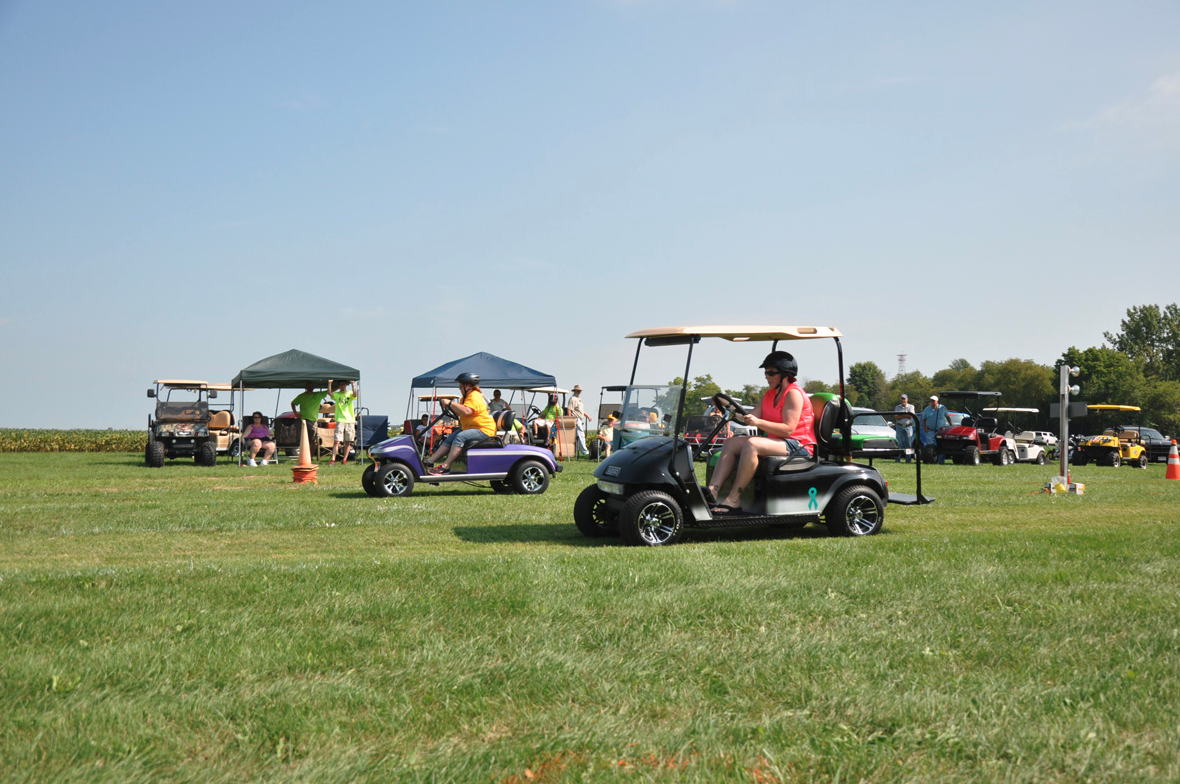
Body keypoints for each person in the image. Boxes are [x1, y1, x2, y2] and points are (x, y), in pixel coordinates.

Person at [705, 351, 816, 515]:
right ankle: (711, 492)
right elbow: (750, 417)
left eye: (771, 372)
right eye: (766, 372)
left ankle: (734, 499)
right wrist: (729, 408)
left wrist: (758, 423)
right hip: (779, 443)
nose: (766, 376)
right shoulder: (770, 394)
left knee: (752, 444)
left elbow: (788, 429)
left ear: (785, 374)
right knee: (730, 443)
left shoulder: (793, 393)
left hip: (799, 445)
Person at [425, 372, 497, 474]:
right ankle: (430, 461)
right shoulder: (465, 398)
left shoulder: (474, 396)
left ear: (467, 385)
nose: (459, 388)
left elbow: (467, 411)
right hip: (471, 427)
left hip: (484, 430)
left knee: (461, 437)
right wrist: (450, 406)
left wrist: (450, 403)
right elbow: (460, 412)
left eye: (460, 385)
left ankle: (446, 466)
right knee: (451, 437)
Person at [290, 383, 326, 460]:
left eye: (311, 386)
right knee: (301, 438)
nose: (310, 388)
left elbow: (331, 390)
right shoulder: (301, 396)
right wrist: (295, 413)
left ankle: (311, 457)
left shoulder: (318, 395)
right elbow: (293, 403)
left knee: (312, 440)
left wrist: (336, 385)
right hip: (302, 420)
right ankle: (302, 455)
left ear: (313, 387)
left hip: (313, 421)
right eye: (308, 386)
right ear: (306, 387)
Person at [327, 379, 357, 465]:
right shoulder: (337, 394)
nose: (343, 386)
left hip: (350, 420)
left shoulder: (350, 393)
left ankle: (345, 459)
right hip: (340, 419)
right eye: (341, 385)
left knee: (348, 441)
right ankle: (333, 459)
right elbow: (330, 393)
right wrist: (330, 383)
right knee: (337, 441)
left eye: (344, 384)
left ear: (346, 386)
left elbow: (355, 394)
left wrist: (353, 384)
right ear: (339, 386)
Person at [920, 394, 952, 464]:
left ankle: (941, 461)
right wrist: (925, 429)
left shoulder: (942, 408)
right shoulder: (927, 409)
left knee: (941, 445)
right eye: (931, 401)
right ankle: (931, 460)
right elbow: (924, 419)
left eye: (933, 401)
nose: (932, 402)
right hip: (930, 430)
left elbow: (948, 417)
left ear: (937, 401)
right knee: (930, 446)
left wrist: (951, 426)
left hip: (940, 431)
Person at [566, 385, 593, 457]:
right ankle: (585, 452)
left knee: (580, 435)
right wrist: (570, 420)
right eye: (577, 391)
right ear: (574, 391)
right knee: (581, 435)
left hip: (579, 419)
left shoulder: (579, 399)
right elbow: (569, 409)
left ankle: (582, 450)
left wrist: (588, 417)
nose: (579, 392)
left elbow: (581, 411)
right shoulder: (573, 399)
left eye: (580, 391)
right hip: (575, 419)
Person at [894, 393, 916, 463]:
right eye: (902, 399)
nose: (903, 400)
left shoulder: (911, 407)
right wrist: (906, 415)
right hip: (899, 426)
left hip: (908, 426)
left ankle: (908, 459)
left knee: (908, 444)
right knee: (899, 443)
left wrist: (901, 415)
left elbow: (911, 416)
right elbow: (896, 417)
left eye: (904, 399)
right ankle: (897, 459)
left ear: (907, 399)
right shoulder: (897, 407)